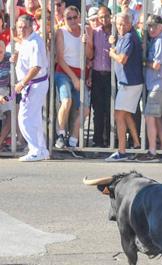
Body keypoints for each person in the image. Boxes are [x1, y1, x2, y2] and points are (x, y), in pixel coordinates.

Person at [8, 15, 49, 161]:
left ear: (32, 26)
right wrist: (16, 57)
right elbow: (23, 49)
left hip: (34, 84)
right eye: (19, 27)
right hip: (33, 84)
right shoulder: (27, 40)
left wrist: (22, 83)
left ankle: (35, 150)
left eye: (25, 27)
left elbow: (36, 67)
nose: (22, 30)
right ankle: (41, 150)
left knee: (25, 118)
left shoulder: (35, 42)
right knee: (35, 118)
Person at [54, 6, 93, 151]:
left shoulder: (86, 30)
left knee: (85, 109)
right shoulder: (61, 32)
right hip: (64, 72)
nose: (72, 21)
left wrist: (87, 42)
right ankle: (61, 134)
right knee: (67, 100)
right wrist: (74, 79)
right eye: (68, 18)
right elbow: (60, 58)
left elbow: (89, 55)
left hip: (81, 73)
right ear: (64, 19)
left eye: (74, 17)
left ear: (79, 17)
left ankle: (73, 139)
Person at [106, 11, 143, 161]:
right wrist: (113, 44)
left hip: (130, 83)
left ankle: (121, 151)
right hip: (128, 82)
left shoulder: (129, 37)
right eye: (119, 24)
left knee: (119, 115)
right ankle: (136, 142)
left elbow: (122, 59)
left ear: (130, 23)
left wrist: (112, 53)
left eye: (124, 24)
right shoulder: (125, 36)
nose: (121, 27)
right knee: (126, 114)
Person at [137, 15, 162, 162]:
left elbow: (156, 65)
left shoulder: (160, 42)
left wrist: (144, 62)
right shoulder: (159, 40)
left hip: (158, 84)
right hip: (159, 84)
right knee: (157, 118)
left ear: (161, 26)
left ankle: (152, 151)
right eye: (149, 26)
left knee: (150, 117)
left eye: (154, 26)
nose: (151, 29)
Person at [91, 6, 112, 148]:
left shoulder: (116, 32)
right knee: (98, 109)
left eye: (106, 16)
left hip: (111, 75)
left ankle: (110, 140)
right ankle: (98, 141)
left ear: (110, 16)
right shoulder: (95, 33)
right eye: (101, 17)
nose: (104, 19)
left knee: (110, 109)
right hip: (97, 74)